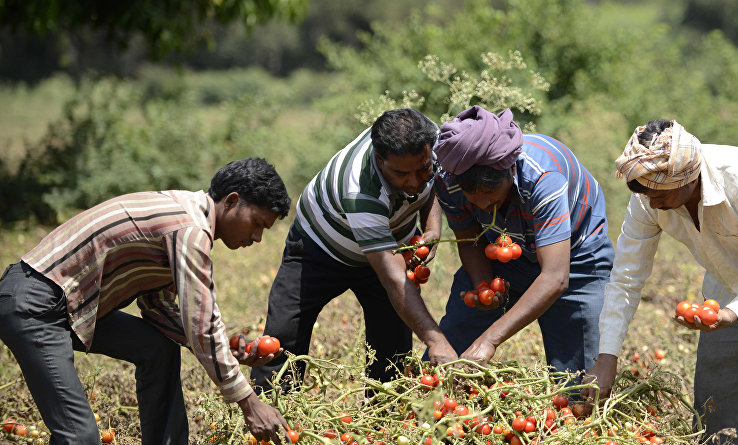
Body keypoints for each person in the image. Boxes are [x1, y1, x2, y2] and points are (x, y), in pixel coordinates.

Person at [0, 157, 294, 444]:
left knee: (158, 348)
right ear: (231, 201)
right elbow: (202, 324)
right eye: (256, 223)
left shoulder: (185, 212)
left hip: (70, 305)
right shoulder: (190, 230)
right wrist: (249, 402)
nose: (256, 237)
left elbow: (158, 307)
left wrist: (225, 354)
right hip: (35, 304)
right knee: (80, 436)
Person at [583, 119, 738, 444]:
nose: (650, 201)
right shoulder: (649, 198)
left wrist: (732, 314)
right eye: (641, 190)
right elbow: (626, 277)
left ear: (688, 178)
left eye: (657, 192)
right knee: (714, 419)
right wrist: (607, 357)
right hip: (727, 284)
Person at [252, 108, 457, 392]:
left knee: (392, 353)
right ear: (379, 160)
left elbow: (434, 179)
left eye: (421, 168)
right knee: (282, 339)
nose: (413, 182)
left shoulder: (430, 140)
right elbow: (392, 278)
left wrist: (433, 229)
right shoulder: (361, 190)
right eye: (401, 174)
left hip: (391, 247)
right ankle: (272, 412)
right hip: (319, 248)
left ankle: (385, 423)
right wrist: (436, 341)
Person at [430, 105, 613, 373]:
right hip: (505, 252)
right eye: (473, 196)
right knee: (449, 355)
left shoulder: (542, 179)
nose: (483, 205)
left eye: (491, 193)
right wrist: (483, 287)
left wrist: (489, 341)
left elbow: (555, 277)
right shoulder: (449, 178)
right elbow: (469, 240)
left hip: (575, 260)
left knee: (576, 384)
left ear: (511, 172)